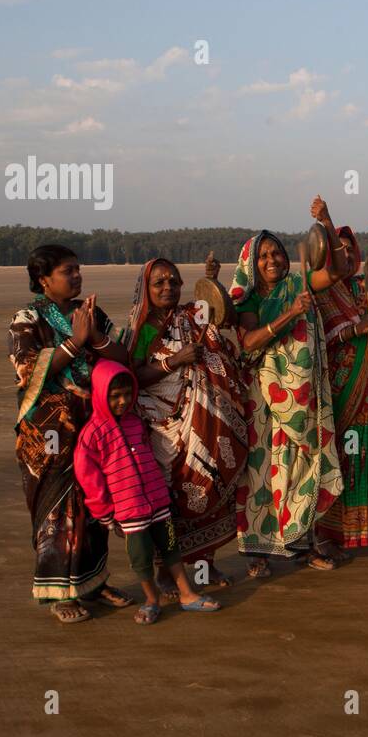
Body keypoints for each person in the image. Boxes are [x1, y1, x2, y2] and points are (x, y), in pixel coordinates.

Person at [7, 244, 135, 624]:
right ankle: (59, 591)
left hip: (93, 426)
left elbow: (122, 358)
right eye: (67, 271)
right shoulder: (26, 318)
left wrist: (93, 335)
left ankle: (94, 582)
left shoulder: (91, 314)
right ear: (43, 279)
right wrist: (74, 342)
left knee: (95, 505)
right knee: (56, 511)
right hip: (49, 433)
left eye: (78, 269)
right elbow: (28, 371)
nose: (76, 276)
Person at [121, 253, 249, 595]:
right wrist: (174, 362)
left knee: (213, 489)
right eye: (159, 283)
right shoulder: (141, 327)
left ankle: (205, 565)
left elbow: (225, 316)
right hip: (164, 430)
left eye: (174, 282)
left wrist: (211, 279)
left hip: (206, 423)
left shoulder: (192, 315)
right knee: (173, 500)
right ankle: (165, 571)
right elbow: (131, 377)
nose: (168, 288)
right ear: (146, 288)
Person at [231, 208, 349, 577]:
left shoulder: (300, 284)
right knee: (264, 472)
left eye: (277, 253)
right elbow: (250, 342)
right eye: (264, 256)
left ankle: (303, 545)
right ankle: (259, 552)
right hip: (265, 398)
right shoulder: (248, 300)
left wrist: (327, 222)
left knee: (303, 468)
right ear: (251, 264)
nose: (272, 260)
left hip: (306, 397)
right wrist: (291, 315)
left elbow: (340, 269)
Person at [73, 361, 222, 624]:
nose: (122, 401)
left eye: (127, 395)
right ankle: (151, 599)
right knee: (140, 560)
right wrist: (106, 515)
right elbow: (90, 480)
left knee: (171, 548)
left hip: (157, 501)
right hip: (129, 510)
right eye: (115, 396)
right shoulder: (92, 435)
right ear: (100, 394)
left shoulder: (136, 421)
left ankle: (187, 594)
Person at [312, 204, 368, 557]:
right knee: (343, 458)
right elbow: (319, 339)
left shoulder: (365, 286)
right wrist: (353, 330)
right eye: (339, 250)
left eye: (350, 250)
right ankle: (335, 532)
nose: (345, 255)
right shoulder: (321, 292)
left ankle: (367, 527)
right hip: (339, 388)